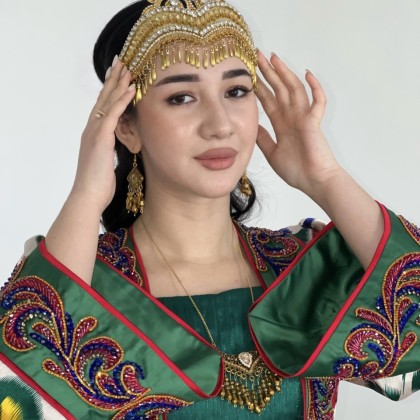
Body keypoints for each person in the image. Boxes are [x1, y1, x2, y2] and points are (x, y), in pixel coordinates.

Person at [0, 0, 419, 418]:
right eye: (182, 97)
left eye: (236, 92)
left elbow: (408, 358)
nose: (220, 124)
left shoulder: (301, 264)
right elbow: (17, 398)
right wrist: (86, 195)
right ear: (125, 126)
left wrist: (326, 178)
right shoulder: (89, 279)